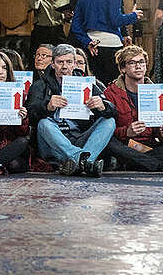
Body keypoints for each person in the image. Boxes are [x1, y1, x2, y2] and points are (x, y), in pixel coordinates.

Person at [101, 45, 163, 173]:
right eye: (132, 63)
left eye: (141, 62)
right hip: (124, 145)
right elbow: (105, 128)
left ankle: (130, 163)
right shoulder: (110, 93)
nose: (138, 66)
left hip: (150, 146)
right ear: (123, 68)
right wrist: (126, 132)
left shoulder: (156, 92)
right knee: (109, 143)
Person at [27, 44, 116, 177]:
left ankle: (79, 161)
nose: (64, 66)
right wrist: (47, 106)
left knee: (109, 121)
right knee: (44, 123)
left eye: (69, 62)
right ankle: (85, 161)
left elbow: (113, 111)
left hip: (79, 138)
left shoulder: (85, 82)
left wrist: (103, 105)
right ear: (52, 64)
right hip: (52, 143)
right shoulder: (40, 85)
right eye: (59, 62)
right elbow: (30, 114)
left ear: (75, 64)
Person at [70, 0, 142, 85]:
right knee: (112, 85)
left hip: (92, 47)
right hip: (111, 46)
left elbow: (76, 26)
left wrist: (87, 42)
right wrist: (133, 16)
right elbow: (116, 20)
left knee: (93, 85)